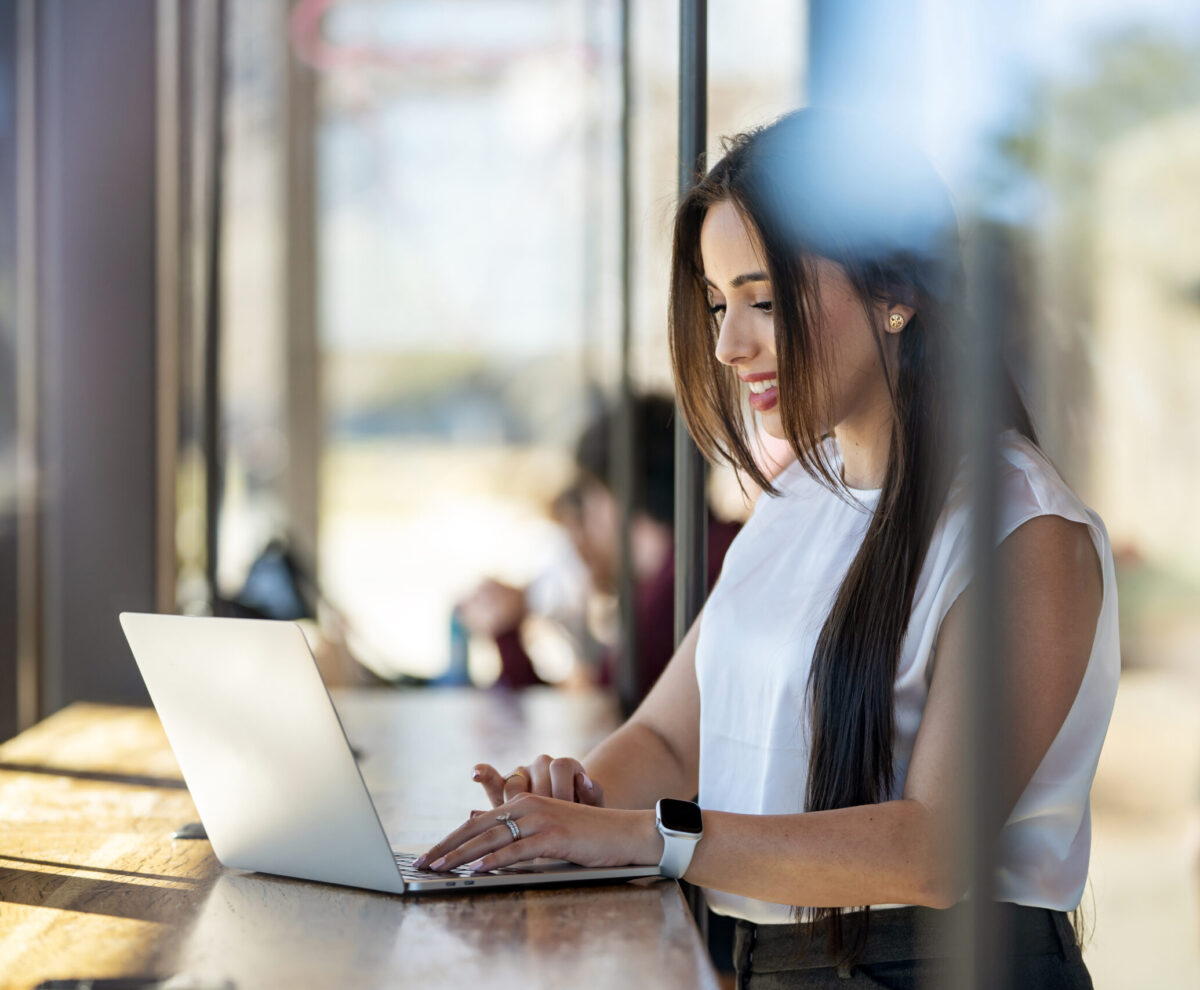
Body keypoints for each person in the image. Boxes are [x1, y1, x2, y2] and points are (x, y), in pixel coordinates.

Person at [416, 109, 1119, 988]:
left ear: (897, 291)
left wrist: (644, 836)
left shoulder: (1024, 533)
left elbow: (933, 848)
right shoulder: (796, 499)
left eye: (764, 300)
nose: (727, 344)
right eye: (717, 304)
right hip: (762, 962)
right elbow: (672, 738)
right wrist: (567, 807)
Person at [456, 394, 740, 701]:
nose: (589, 520)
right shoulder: (717, 552)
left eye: (590, 496)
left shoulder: (675, 595)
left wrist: (507, 633)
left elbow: (600, 720)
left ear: (617, 495)